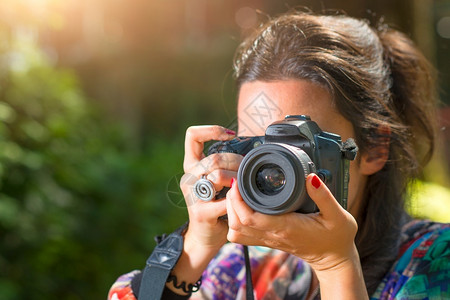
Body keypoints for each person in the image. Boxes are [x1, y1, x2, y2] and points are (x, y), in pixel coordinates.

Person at [108, 10, 450, 300]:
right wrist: (195, 247)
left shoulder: (437, 260)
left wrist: (335, 264)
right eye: (257, 145)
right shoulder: (245, 268)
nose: (274, 169)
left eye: (299, 146)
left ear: (374, 148)